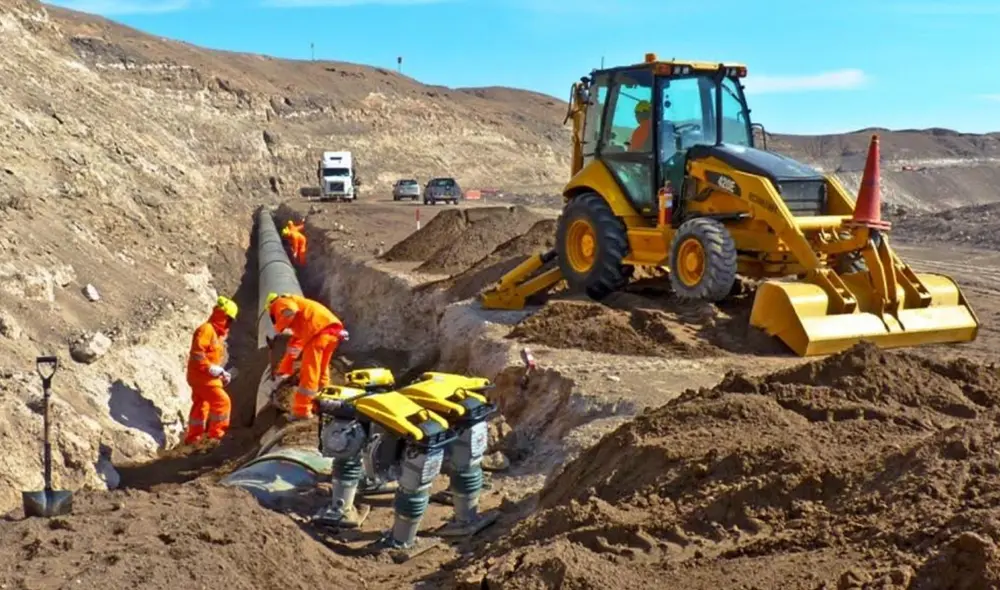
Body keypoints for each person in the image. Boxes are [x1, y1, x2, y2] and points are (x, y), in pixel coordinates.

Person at [267, 293, 349, 420]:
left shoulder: (281, 302)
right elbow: (294, 349)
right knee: (322, 370)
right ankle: (324, 401)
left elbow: (290, 311)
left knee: (309, 372)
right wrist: (283, 370)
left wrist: (279, 327)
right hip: (332, 333)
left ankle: (302, 410)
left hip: (318, 333)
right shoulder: (302, 322)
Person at [184, 295, 238, 444]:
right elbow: (197, 354)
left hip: (202, 377)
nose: (229, 324)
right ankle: (216, 436)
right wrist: (210, 369)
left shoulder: (215, 333)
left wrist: (220, 373)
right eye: (229, 319)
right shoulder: (206, 330)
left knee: (201, 406)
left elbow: (211, 358)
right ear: (223, 315)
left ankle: (194, 438)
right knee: (222, 402)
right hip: (202, 377)